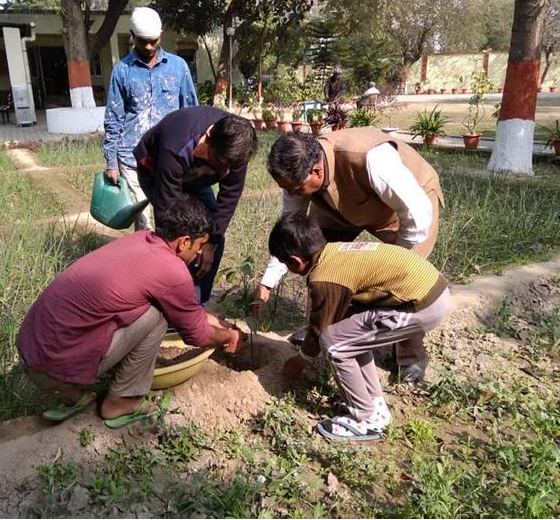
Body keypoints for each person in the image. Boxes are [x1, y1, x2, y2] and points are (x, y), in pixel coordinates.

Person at [16, 197, 244, 428]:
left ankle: (76, 397)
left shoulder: (140, 240)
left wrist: (218, 322)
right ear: (184, 242)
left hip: (33, 355)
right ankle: (120, 401)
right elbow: (197, 335)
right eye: (198, 247)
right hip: (53, 366)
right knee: (158, 313)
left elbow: (190, 309)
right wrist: (229, 337)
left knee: (140, 306)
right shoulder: (171, 269)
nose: (198, 255)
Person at [251, 128, 445, 384]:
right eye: (287, 189)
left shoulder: (372, 159)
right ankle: (320, 331)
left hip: (405, 210)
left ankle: (410, 355)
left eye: (296, 189)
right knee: (318, 261)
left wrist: (396, 262)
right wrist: (267, 283)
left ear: (317, 171)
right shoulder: (298, 181)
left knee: (402, 282)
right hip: (343, 208)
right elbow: (290, 234)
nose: (293, 194)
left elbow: (416, 214)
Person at [268, 214, 450, 441]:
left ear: (296, 261)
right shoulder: (334, 251)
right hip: (431, 289)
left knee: (334, 344)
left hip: (421, 305)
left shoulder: (325, 277)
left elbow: (318, 332)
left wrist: (299, 361)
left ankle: (365, 419)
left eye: (285, 264)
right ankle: (373, 405)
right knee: (347, 335)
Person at [134, 105, 258, 304]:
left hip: (196, 178)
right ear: (208, 136)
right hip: (156, 172)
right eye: (219, 162)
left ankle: (195, 303)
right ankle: (164, 298)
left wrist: (210, 244)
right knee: (180, 239)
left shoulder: (237, 147)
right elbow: (168, 213)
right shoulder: (176, 143)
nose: (224, 170)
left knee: (210, 237)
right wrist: (180, 250)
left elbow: (229, 196)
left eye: (228, 166)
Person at [102, 6, 198, 231]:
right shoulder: (122, 71)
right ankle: (144, 262)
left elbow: (191, 112)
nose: (148, 46)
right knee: (143, 221)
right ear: (132, 36)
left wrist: (193, 153)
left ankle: (167, 262)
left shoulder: (178, 67)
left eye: (153, 41)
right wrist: (111, 162)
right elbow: (114, 118)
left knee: (172, 216)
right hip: (132, 158)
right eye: (142, 41)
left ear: (160, 36)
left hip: (171, 157)